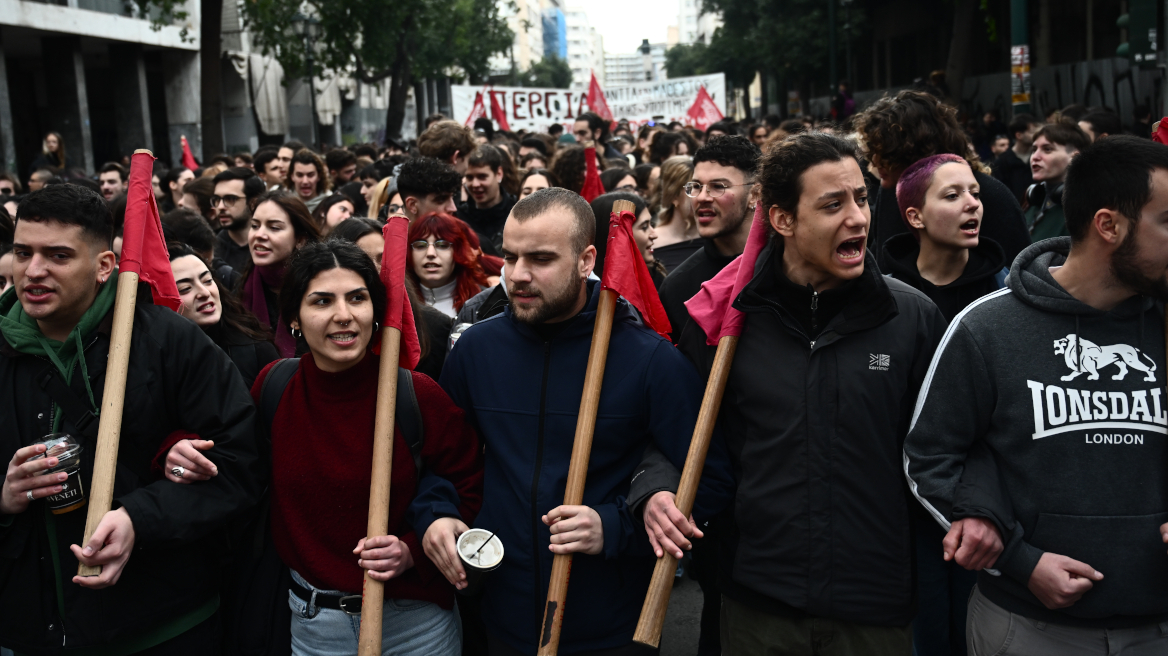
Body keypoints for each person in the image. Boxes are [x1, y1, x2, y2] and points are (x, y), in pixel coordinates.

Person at [643, 132, 948, 656]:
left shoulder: (912, 318)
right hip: (757, 604)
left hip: (875, 607)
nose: (857, 218)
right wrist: (654, 489)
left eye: (861, 198)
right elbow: (672, 435)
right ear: (782, 219)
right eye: (832, 204)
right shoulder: (726, 320)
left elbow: (944, 452)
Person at [432, 187, 734, 655]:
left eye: (541, 258)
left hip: (611, 625)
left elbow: (709, 482)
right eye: (510, 257)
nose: (518, 275)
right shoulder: (474, 351)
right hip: (497, 617)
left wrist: (613, 527)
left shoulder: (650, 360)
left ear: (586, 258)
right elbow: (442, 464)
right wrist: (437, 515)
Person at [904, 135, 1168, 656]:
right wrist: (1020, 562)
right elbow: (929, 457)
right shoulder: (988, 329)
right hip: (1028, 626)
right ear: (1109, 226)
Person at [187, 239, 483, 656]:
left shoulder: (416, 395)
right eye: (322, 301)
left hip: (415, 624)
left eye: (357, 298)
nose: (343, 315)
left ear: (377, 312)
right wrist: (176, 451)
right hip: (312, 625)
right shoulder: (275, 388)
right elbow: (229, 460)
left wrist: (413, 550)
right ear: (294, 317)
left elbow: (468, 481)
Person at [0, 183, 261, 654]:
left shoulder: (170, 342)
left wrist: (142, 517)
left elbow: (239, 462)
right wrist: (4, 495)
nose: (33, 271)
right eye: (23, 252)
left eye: (58, 256)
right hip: (34, 630)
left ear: (104, 266)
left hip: (164, 626)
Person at [880, 154, 1009, 655]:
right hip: (899, 508)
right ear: (915, 216)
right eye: (952, 195)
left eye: (974, 193)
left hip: (986, 507)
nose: (972, 205)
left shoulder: (1005, 296)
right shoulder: (879, 298)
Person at [856, 90, 1032, 272]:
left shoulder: (992, 196)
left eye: (883, 152)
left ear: (909, 151)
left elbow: (1021, 275)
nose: (874, 162)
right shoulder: (892, 191)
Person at [658, 136, 759, 343]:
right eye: (696, 186)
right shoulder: (679, 287)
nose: (702, 197)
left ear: (755, 195)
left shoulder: (790, 264)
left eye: (718, 186)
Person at [329, 218, 454, 382]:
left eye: (383, 258)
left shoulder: (436, 325)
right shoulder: (323, 321)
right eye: (362, 259)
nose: (375, 268)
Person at [167, 242, 277, 388]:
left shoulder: (257, 352)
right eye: (185, 288)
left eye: (207, 281)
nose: (205, 293)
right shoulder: (156, 364)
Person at [239, 190, 321, 357]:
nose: (259, 235)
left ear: (300, 240)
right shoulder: (239, 289)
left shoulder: (320, 289)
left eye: (274, 227)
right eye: (254, 226)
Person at [407, 212, 491, 318]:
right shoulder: (398, 304)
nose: (430, 253)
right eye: (420, 245)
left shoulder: (484, 303)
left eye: (442, 245)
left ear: (458, 251)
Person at [1025, 121, 1091, 241]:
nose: (1035, 157)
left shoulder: (1083, 211)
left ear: (1075, 158)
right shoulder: (1033, 202)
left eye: (1047, 149)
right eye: (1034, 149)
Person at [589, 191, 665, 288]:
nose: (654, 235)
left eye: (651, 224)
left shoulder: (656, 279)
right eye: (644, 227)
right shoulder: (588, 291)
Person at [459, 145, 516, 257]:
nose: (475, 184)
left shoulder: (517, 213)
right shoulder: (459, 218)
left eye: (482, 176)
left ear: (499, 174)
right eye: (469, 178)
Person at [650, 156, 701, 273]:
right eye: (695, 187)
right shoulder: (651, 241)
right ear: (674, 195)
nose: (703, 196)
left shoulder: (718, 236)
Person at [212, 167, 266, 274]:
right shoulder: (213, 250)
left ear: (253, 202)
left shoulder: (270, 244)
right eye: (217, 199)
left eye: (230, 199)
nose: (221, 206)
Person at [991, 113, 1041, 204]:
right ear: (1019, 135)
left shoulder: (1038, 157)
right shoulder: (1002, 162)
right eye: (1032, 132)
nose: (1036, 135)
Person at [396, 157, 461, 222]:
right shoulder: (391, 231)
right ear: (412, 205)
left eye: (453, 197)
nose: (453, 208)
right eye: (441, 199)